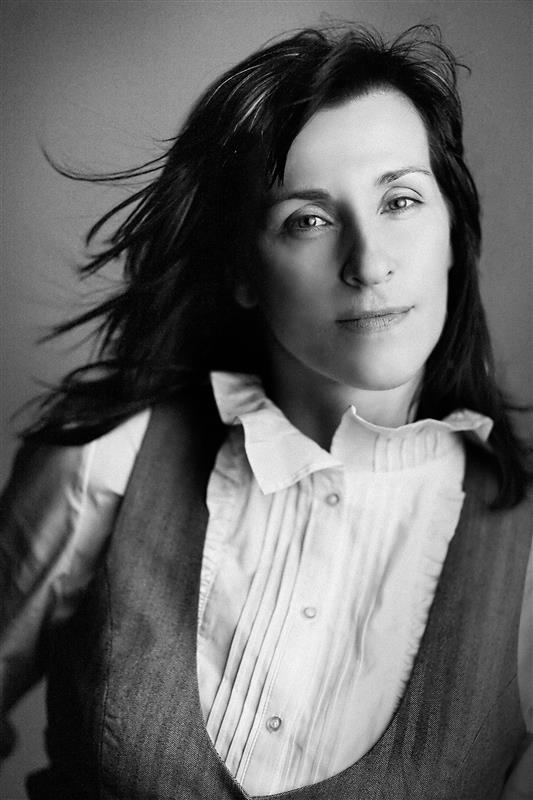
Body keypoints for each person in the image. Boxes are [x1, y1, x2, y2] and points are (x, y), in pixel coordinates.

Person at [0, 22, 531, 800]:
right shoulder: (105, 460)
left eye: (400, 200)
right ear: (242, 270)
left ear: (454, 232)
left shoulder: (523, 550)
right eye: (307, 219)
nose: (368, 263)